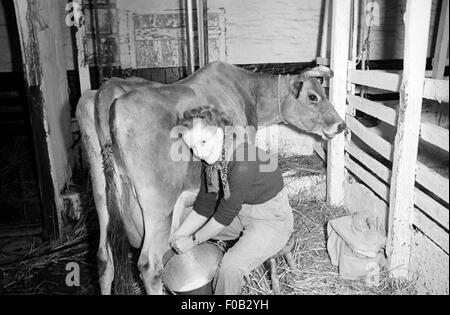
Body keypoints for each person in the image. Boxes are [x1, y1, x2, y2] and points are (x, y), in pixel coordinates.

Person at [170, 105, 294, 295]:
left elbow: (224, 215)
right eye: (193, 147)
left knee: (230, 267)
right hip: (240, 212)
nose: (199, 153)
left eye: (203, 141)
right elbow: (204, 206)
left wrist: (192, 240)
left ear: (219, 133)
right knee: (184, 218)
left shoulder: (243, 160)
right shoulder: (213, 162)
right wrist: (175, 238)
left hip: (271, 219)